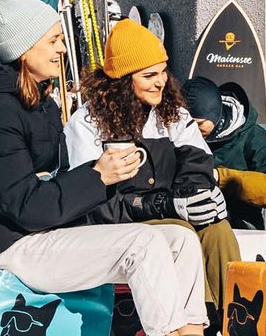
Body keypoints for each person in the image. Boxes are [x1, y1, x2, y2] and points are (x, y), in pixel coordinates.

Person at [0, 0, 254, 336]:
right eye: (51, 41)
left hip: (35, 230)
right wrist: (100, 175)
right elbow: (28, 206)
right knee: (143, 243)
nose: (62, 47)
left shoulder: (36, 100)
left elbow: (49, 184)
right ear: (24, 51)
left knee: (178, 237)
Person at [64, 20, 242, 316]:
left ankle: (234, 325)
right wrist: (164, 204)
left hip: (166, 215)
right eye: (148, 75)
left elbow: (198, 163)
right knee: (179, 230)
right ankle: (196, 327)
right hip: (115, 225)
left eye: (162, 72)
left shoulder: (172, 114)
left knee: (217, 229)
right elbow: (88, 202)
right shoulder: (88, 123)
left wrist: (196, 197)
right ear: (122, 81)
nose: (160, 82)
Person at [183, 78, 266, 231]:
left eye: (199, 124)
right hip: (188, 219)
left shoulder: (252, 137)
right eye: (186, 123)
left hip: (238, 223)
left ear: (215, 115)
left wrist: (222, 178)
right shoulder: (181, 134)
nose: (192, 129)